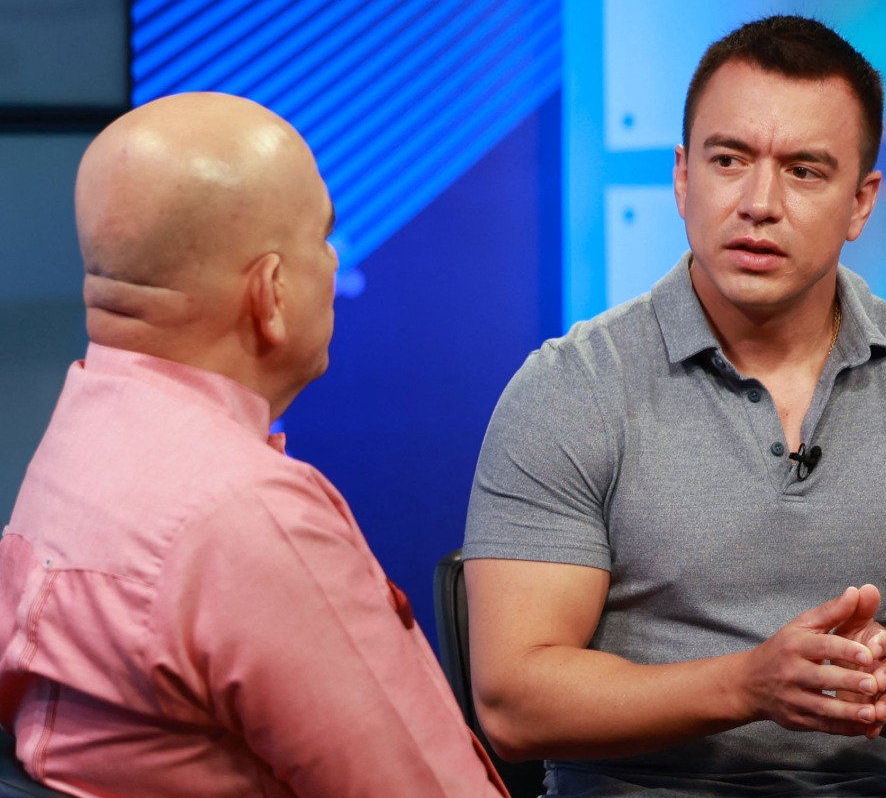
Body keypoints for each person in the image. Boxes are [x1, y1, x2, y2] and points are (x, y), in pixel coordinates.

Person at [463, 15, 886, 797]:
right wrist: (749, 683)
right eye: (729, 160)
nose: (759, 202)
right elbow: (513, 700)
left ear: (860, 202)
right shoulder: (570, 388)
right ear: (683, 178)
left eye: (805, 171)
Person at [0, 92, 508, 798]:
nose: (333, 264)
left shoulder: (72, 446)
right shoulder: (249, 518)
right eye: (324, 239)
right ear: (269, 293)